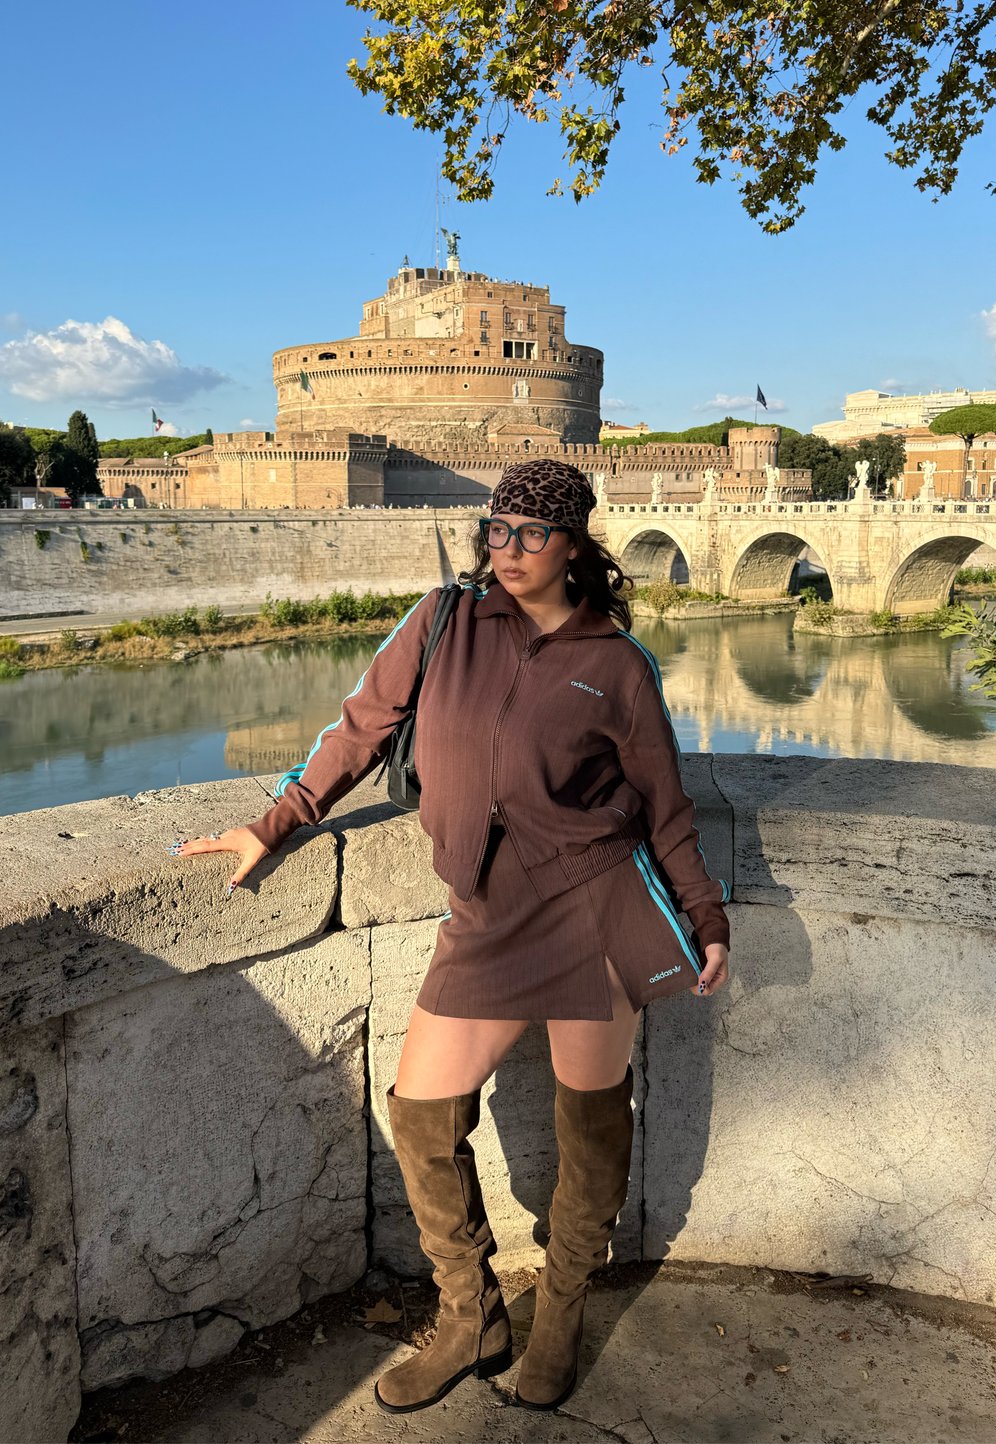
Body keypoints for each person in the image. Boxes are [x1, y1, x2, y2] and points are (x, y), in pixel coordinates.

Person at [168, 457, 731, 1416]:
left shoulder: (618, 666)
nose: (506, 550)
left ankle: (559, 1309)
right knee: (422, 1110)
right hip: (485, 915)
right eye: (496, 530)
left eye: (530, 534)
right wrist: (275, 820)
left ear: (575, 547)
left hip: (594, 907)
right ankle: (470, 1311)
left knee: (590, 1123)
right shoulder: (442, 622)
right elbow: (356, 729)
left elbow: (666, 807)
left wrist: (703, 916)